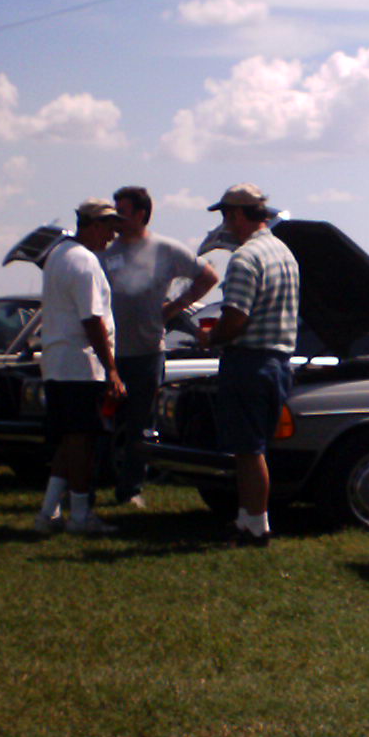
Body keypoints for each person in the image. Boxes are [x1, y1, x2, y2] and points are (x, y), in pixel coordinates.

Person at [196, 183, 299, 546]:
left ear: (239, 214)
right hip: (278, 362)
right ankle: (246, 520)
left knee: (248, 450)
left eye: (226, 214)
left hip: (248, 361)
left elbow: (236, 318)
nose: (224, 223)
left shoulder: (244, 258)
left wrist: (211, 337)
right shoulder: (284, 253)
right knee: (254, 447)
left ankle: (256, 527)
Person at [103, 185, 218, 508]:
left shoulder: (165, 249)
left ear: (141, 214)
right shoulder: (107, 253)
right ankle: (92, 484)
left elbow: (208, 276)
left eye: (122, 212)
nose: (116, 219)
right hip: (109, 353)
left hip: (147, 352)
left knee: (140, 424)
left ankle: (131, 488)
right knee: (104, 423)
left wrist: (176, 306)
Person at [34, 198, 128, 536]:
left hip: (58, 363)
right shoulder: (85, 261)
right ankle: (80, 514)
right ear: (93, 225)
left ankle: (49, 512)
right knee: (82, 442)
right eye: (108, 228)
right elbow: (91, 319)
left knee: (69, 439)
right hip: (80, 365)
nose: (112, 236)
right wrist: (112, 369)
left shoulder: (57, 254)